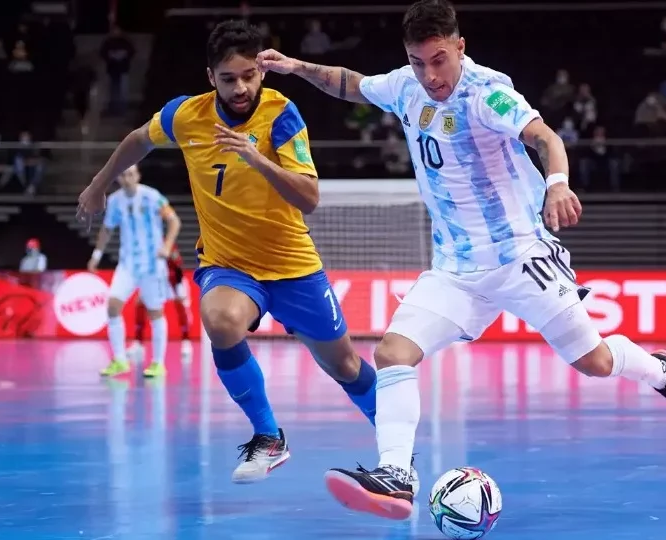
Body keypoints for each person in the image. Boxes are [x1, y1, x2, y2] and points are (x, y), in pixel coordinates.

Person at [257, 0, 666, 520]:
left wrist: (557, 184)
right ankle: (397, 475)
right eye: (417, 61)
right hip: (455, 269)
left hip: (521, 256)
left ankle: (661, 372)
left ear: (459, 48)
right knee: (391, 353)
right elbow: (350, 82)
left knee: (595, 362)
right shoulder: (406, 85)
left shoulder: (486, 94)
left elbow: (545, 138)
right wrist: (296, 67)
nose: (430, 75)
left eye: (438, 60)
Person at [76, 20, 418, 487]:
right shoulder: (186, 116)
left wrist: (256, 157)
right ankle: (268, 436)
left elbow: (309, 198)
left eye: (249, 76)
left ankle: (398, 452)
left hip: (294, 267)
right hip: (230, 265)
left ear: (262, 72)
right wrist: (98, 186)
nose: (241, 87)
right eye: (229, 78)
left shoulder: (281, 115)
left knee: (346, 366)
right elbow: (139, 138)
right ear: (210, 77)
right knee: (219, 321)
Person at [88, 164, 181, 378]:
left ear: (137, 175)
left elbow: (174, 221)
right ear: (119, 178)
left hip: (151, 265)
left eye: (131, 174)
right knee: (112, 306)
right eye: (123, 174)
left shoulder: (151, 196)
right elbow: (107, 229)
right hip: (127, 264)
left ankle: (158, 363)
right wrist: (96, 256)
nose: (127, 177)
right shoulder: (114, 202)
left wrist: (167, 246)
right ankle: (120, 360)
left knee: (155, 312)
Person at [127, 243, 194, 362]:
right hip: (154, 280)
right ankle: (138, 343)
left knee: (181, 305)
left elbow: (177, 262)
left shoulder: (166, 242)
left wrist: (169, 255)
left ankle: (186, 342)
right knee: (139, 302)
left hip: (172, 279)